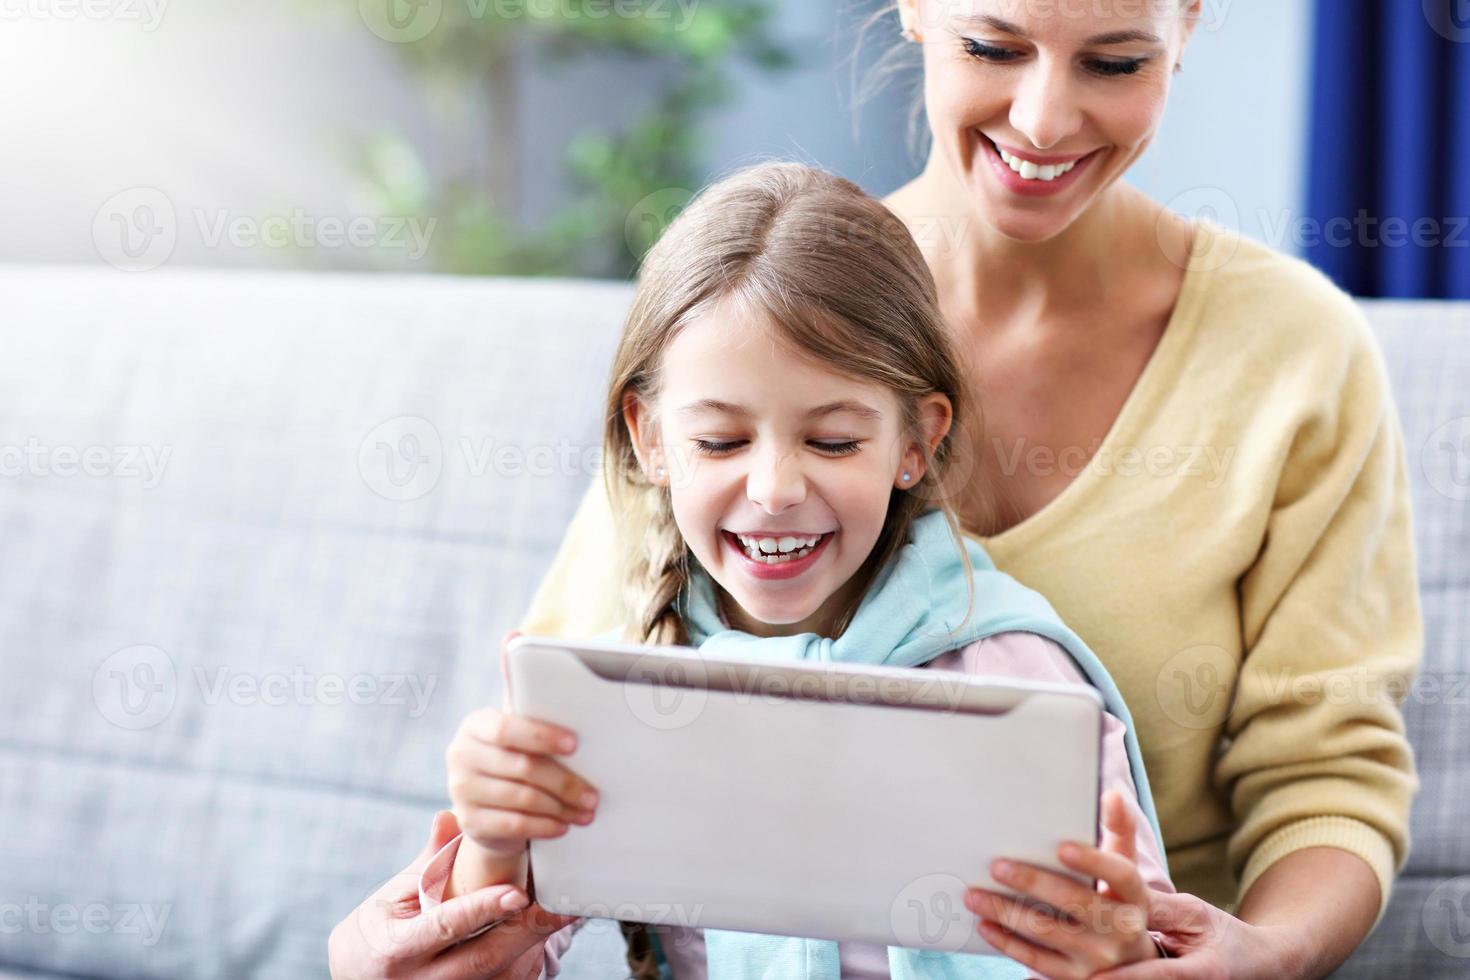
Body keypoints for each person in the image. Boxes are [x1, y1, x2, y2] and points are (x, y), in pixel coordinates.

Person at [330, 1, 1421, 977]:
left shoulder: (1295, 353)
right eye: (993, 45)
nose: (1043, 120)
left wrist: (1257, 956)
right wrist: (419, 922)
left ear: (1188, 26)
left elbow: (1329, 768)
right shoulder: (744, 310)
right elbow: (566, 752)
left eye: (1115, 60)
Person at [439, 160, 1175, 980]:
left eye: (832, 442)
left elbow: (1135, 940)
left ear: (916, 442)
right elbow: (484, 967)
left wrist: (1123, 953)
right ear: (650, 440)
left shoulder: (1019, 683)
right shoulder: (620, 697)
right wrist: (494, 845)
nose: (776, 490)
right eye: (719, 441)